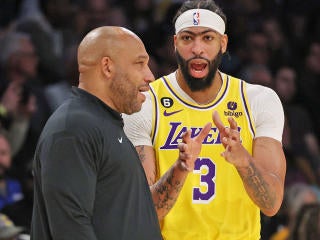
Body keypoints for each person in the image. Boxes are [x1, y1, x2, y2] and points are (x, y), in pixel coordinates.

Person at [123, 0, 287, 239]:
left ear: (223, 43)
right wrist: (180, 168)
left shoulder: (258, 100)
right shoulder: (146, 103)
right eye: (188, 38)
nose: (197, 48)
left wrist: (243, 161)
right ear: (175, 43)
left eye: (207, 38)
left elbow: (271, 205)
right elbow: (143, 210)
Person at [31, 26, 211, 240]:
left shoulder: (106, 124)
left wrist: (181, 168)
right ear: (107, 67)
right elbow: (71, 227)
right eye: (140, 64)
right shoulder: (73, 129)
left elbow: (137, 213)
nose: (150, 76)